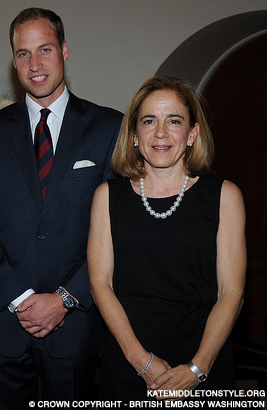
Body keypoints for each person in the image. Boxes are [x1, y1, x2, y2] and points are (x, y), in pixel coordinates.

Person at [0, 7, 123, 408]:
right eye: (23, 53)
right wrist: (20, 297)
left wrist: (64, 299)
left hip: (73, 326)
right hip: (4, 322)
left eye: (44, 49)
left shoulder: (109, 128)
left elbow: (114, 229)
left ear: (65, 51)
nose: (34, 64)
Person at [88, 75, 246, 401]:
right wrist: (139, 360)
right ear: (134, 135)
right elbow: (100, 283)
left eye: (174, 121)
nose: (161, 132)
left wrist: (198, 367)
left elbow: (232, 291)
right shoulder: (107, 196)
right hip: (129, 358)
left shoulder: (225, 195)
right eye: (149, 121)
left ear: (192, 133)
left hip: (204, 360)